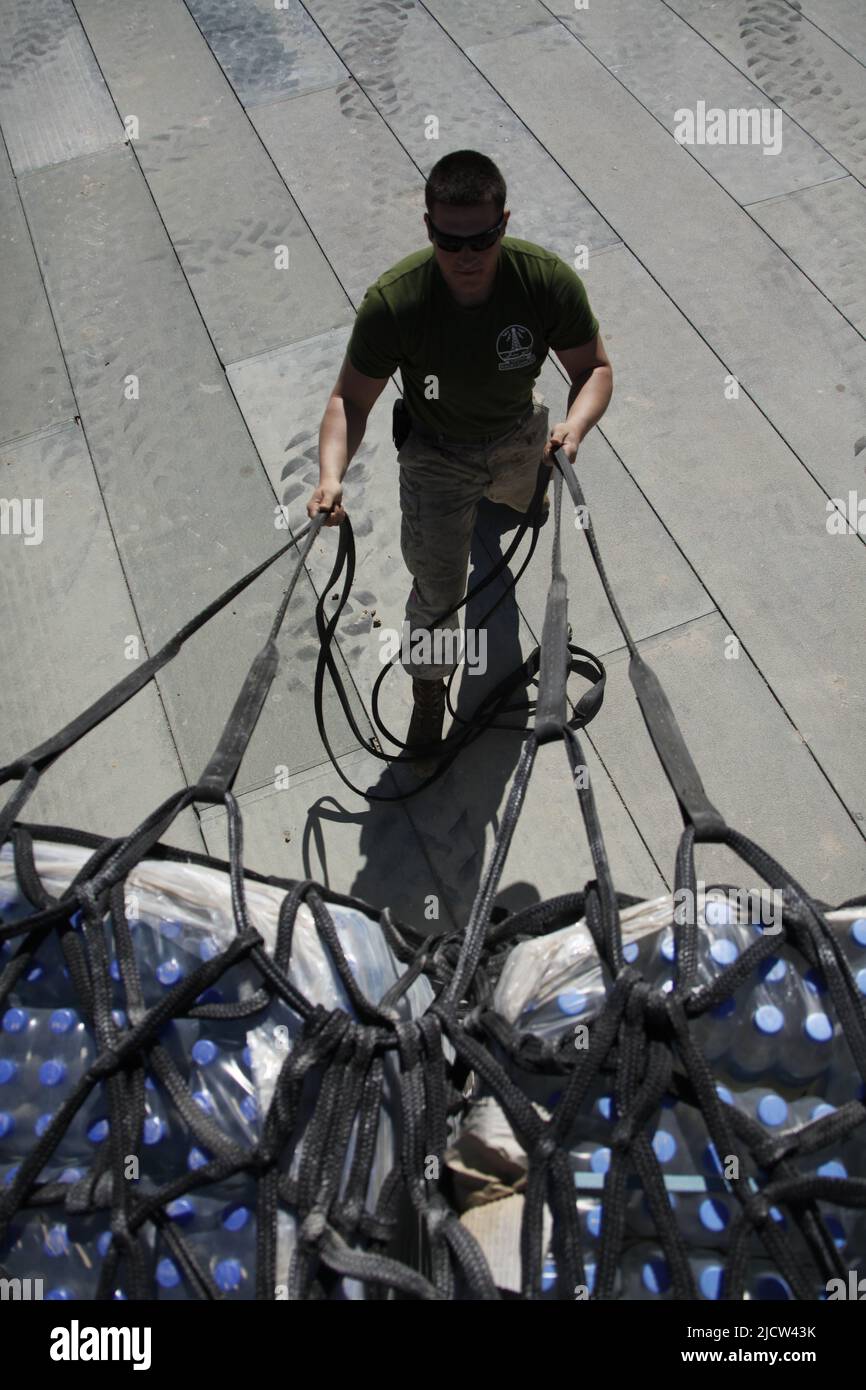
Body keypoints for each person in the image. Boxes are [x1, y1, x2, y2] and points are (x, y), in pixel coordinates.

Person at [306, 149, 613, 776]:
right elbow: (348, 401)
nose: (466, 254)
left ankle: (512, 501)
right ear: (428, 228)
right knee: (440, 594)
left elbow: (594, 369)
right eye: (449, 239)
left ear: (505, 220)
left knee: (518, 507)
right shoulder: (396, 302)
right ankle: (429, 689)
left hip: (521, 436)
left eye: (483, 237)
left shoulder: (545, 280)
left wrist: (573, 429)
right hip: (437, 458)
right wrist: (330, 477)